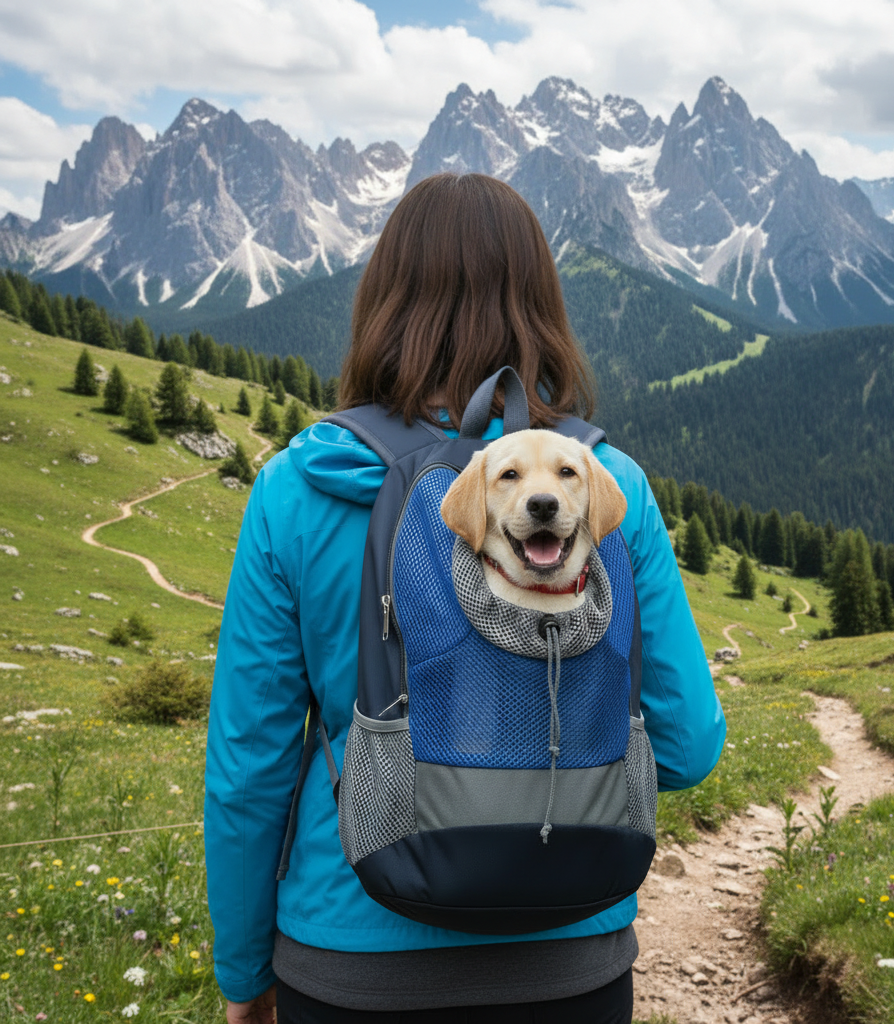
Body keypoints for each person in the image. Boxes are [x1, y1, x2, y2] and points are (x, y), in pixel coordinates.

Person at [204, 173, 726, 1023]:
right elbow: (689, 745)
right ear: (543, 305)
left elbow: (247, 773)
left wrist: (242, 976)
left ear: (381, 303)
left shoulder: (296, 490)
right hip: (569, 954)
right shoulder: (604, 486)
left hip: (348, 960)